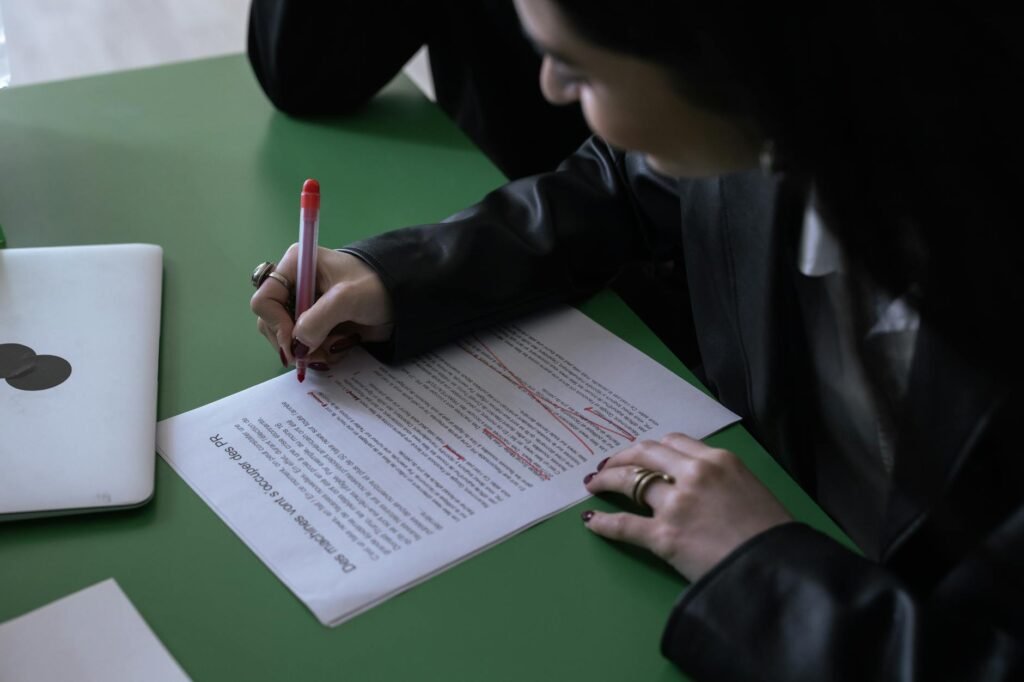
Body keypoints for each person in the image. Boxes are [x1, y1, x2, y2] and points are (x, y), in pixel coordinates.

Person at [251, 1, 1024, 678]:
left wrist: (771, 575)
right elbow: (623, 187)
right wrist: (401, 278)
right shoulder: (785, 107)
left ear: (719, 55)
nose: (549, 88)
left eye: (572, 68)